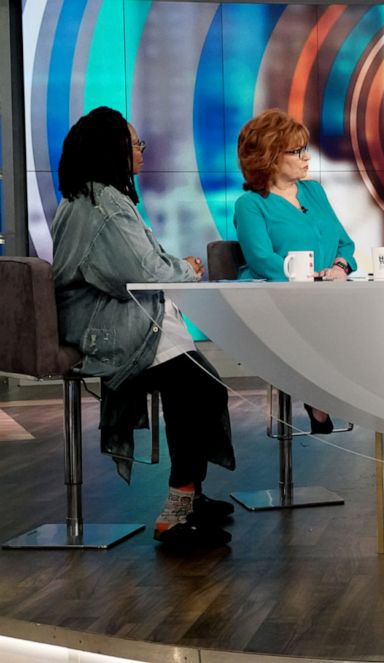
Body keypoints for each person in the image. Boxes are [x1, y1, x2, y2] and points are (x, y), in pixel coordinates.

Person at [52, 106, 236, 548]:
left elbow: (137, 266)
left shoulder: (91, 199)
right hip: (110, 331)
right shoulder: (104, 208)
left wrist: (174, 267)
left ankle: (191, 498)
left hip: (113, 322)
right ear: (112, 150)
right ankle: (176, 512)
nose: (141, 151)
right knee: (200, 389)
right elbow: (141, 271)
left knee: (200, 387)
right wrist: (189, 269)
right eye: (135, 144)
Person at [233, 108, 356, 433]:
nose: (306, 158)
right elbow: (261, 260)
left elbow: (345, 244)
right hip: (275, 300)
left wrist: (341, 268)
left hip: (324, 298)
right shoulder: (250, 205)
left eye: (305, 150)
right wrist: (312, 278)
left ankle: (326, 389)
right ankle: (320, 389)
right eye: (297, 151)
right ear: (270, 157)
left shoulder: (314, 192)